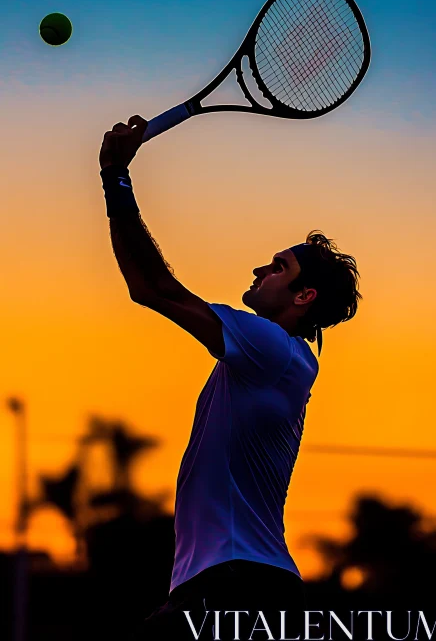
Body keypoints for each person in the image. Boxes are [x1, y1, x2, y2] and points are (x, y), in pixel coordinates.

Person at [99, 116, 362, 640]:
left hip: (237, 586)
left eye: (277, 268)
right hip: (238, 586)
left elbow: (155, 288)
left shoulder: (272, 349)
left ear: (303, 297)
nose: (258, 272)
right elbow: (147, 286)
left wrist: (115, 176)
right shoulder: (267, 359)